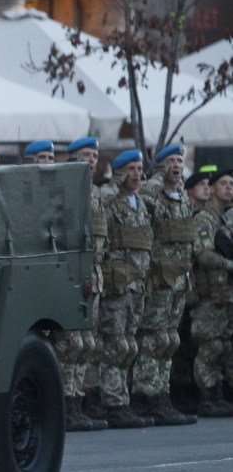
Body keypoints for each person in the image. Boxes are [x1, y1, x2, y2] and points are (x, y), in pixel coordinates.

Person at [133, 145, 198, 425]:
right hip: (159, 279)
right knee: (153, 338)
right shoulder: (152, 196)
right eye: (170, 161)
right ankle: (146, 395)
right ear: (161, 166)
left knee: (170, 339)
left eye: (179, 161)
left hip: (179, 280)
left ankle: (162, 394)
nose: (176, 165)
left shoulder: (182, 200)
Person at [97, 149, 155, 429]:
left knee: (130, 344)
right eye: (131, 168)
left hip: (138, 284)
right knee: (115, 345)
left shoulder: (140, 204)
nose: (137, 174)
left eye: (139, 168)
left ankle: (124, 398)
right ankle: (113, 402)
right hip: (118, 284)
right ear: (119, 172)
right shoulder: (110, 201)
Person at [55, 137, 108, 431]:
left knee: (86, 343)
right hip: (71, 277)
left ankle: (76, 400)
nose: (91, 160)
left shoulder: (96, 194)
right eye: (86, 155)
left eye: (95, 155)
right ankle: (63, 403)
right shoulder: (63, 191)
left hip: (94, 276)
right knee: (70, 343)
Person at [189, 168, 233, 416]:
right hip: (208, 293)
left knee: (223, 345)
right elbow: (202, 254)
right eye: (223, 183)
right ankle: (207, 397)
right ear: (213, 188)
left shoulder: (223, 219)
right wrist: (229, 264)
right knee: (210, 346)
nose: (229, 188)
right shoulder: (205, 218)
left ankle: (218, 394)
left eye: (231, 184)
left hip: (223, 291)